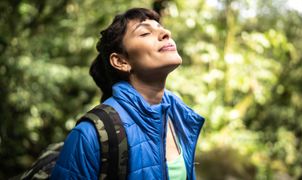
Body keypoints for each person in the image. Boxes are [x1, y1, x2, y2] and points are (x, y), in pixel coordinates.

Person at [51, 7, 204, 180]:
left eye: (161, 28)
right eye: (145, 33)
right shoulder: (88, 136)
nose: (165, 33)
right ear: (121, 61)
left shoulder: (179, 116)